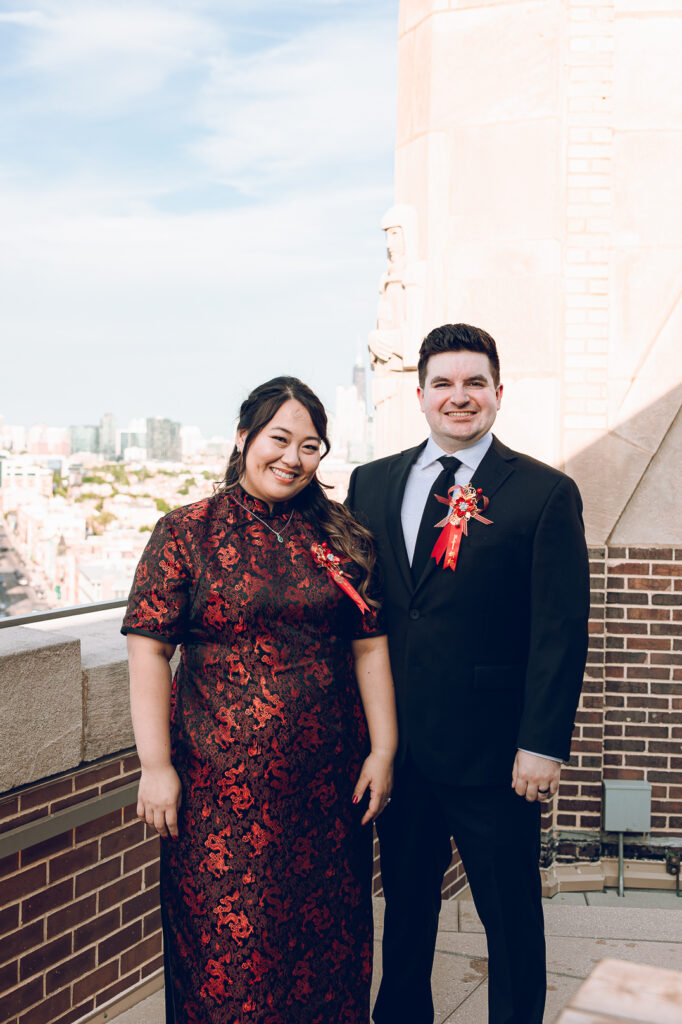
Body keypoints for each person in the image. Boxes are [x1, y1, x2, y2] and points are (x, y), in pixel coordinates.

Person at [122, 377, 398, 1024]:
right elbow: (148, 652)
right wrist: (155, 765)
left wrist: (384, 749)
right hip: (219, 795)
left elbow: (370, 648)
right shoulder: (186, 531)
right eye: (280, 439)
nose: (293, 458)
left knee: (329, 957)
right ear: (244, 437)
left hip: (328, 792)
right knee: (227, 963)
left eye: (311, 445)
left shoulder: (343, 537)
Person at [346, 324, 590, 1024]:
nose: (460, 397)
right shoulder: (372, 481)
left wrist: (542, 744)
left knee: (510, 921)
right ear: (419, 395)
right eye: (445, 384)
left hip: (496, 757)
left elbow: (559, 629)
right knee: (406, 916)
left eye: (475, 383)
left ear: (498, 394)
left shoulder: (544, 493)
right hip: (399, 753)